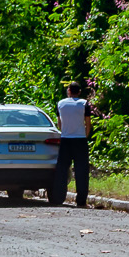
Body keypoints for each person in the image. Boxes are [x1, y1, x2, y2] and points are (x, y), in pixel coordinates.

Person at [54, 78, 92, 208]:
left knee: (62, 170)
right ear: (79, 92)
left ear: (69, 91)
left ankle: (58, 198)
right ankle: (81, 201)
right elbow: (88, 123)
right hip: (80, 140)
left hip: (65, 139)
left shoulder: (60, 104)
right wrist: (85, 135)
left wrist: (64, 131)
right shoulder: (84, 104)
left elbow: (59, 123)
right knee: (81, 171)